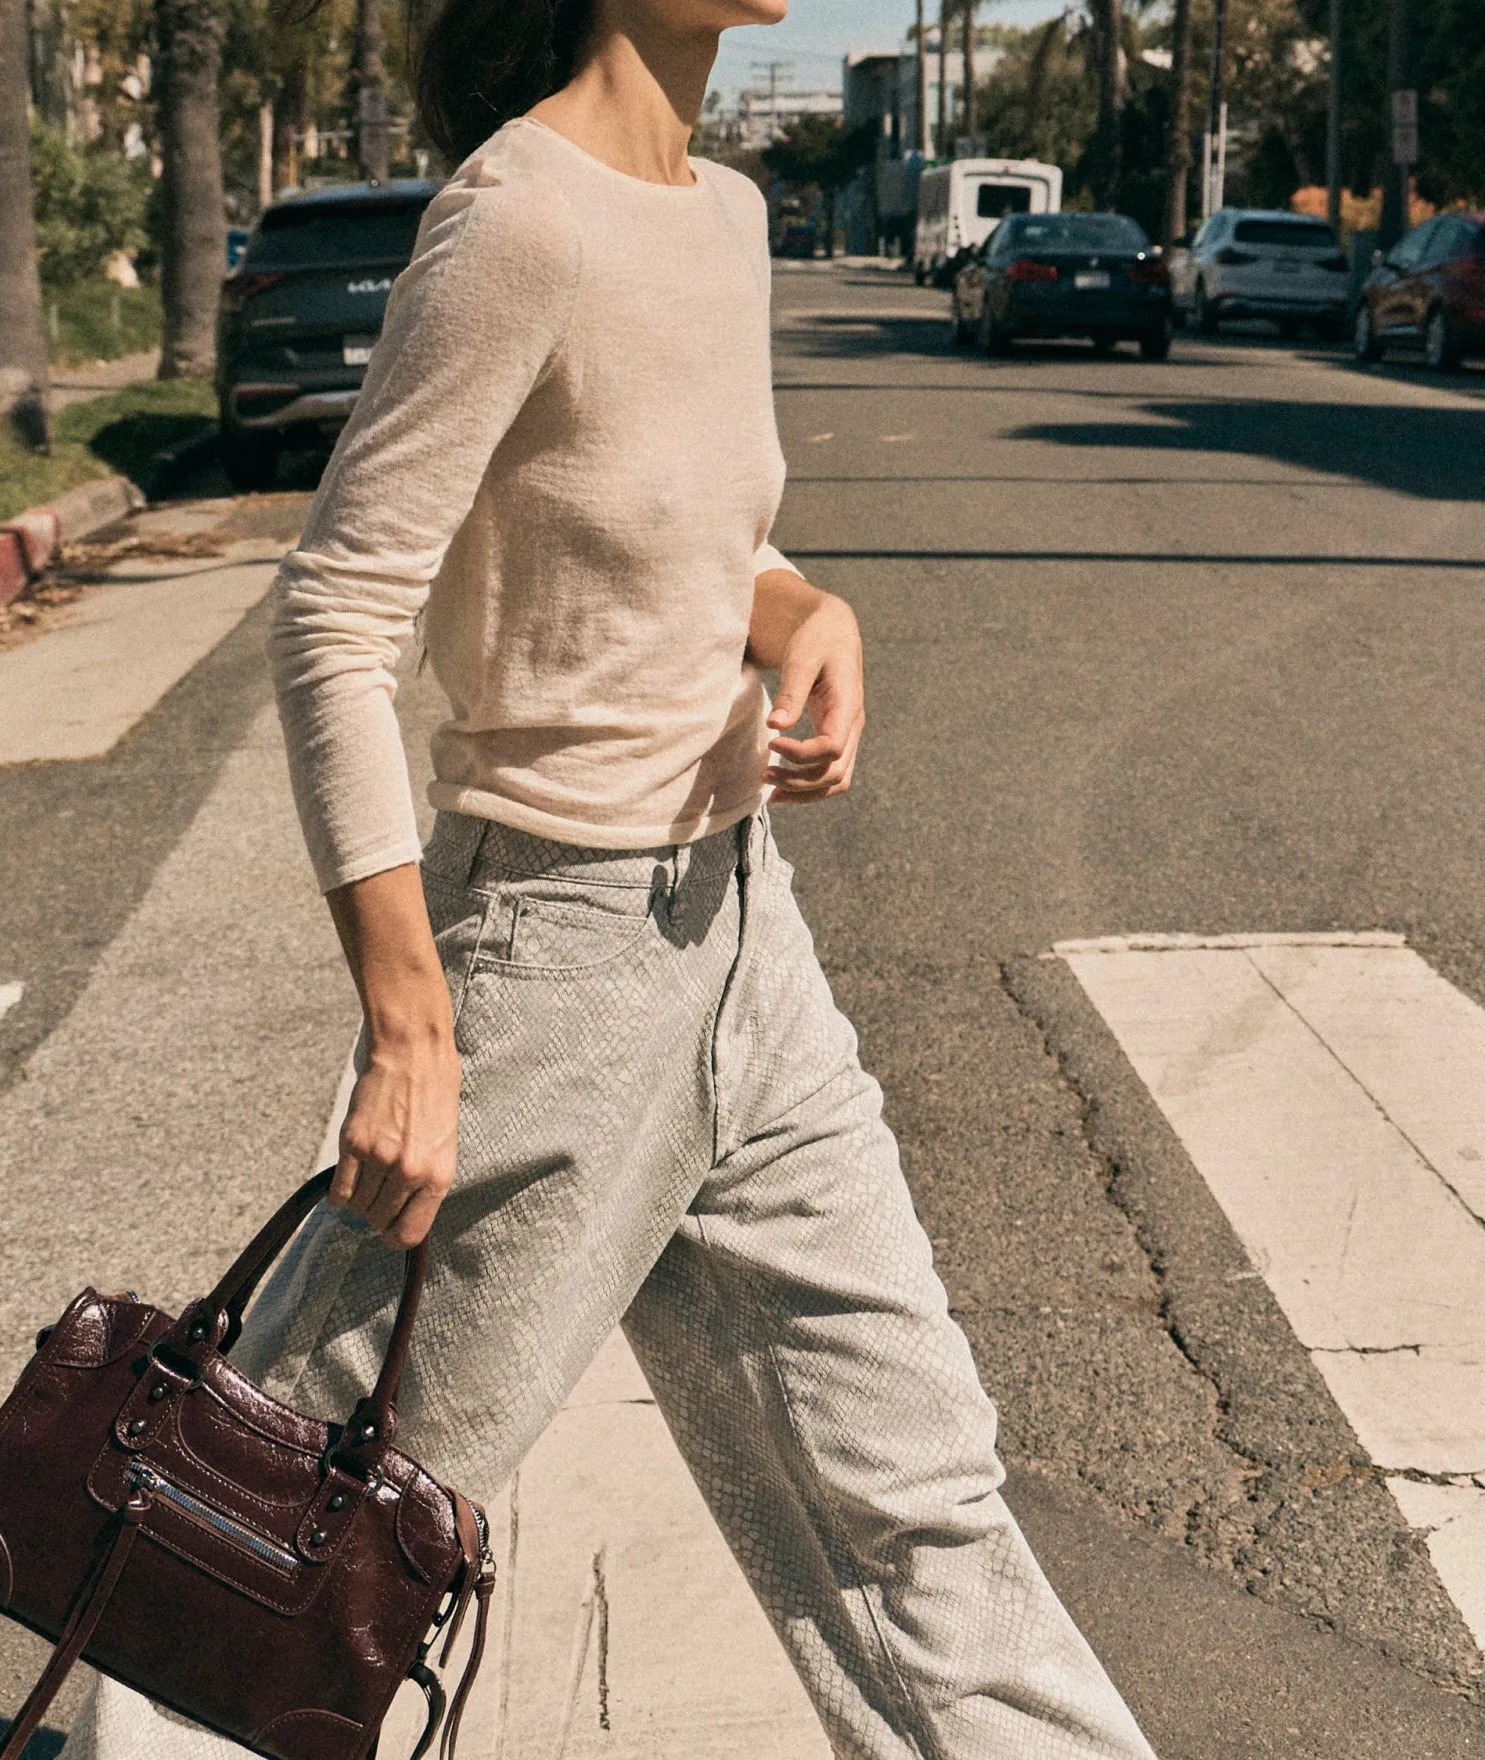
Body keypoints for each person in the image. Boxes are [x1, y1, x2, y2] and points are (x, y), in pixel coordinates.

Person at [62, 2, 1157, 1756]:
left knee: (921, 1497)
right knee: (282, 1550)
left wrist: (809, 612)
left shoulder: (727, 212)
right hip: (550, 972)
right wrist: (411, 1023)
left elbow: (695, 537)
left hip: (746, 947)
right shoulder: (521, 222)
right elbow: (338, 609)